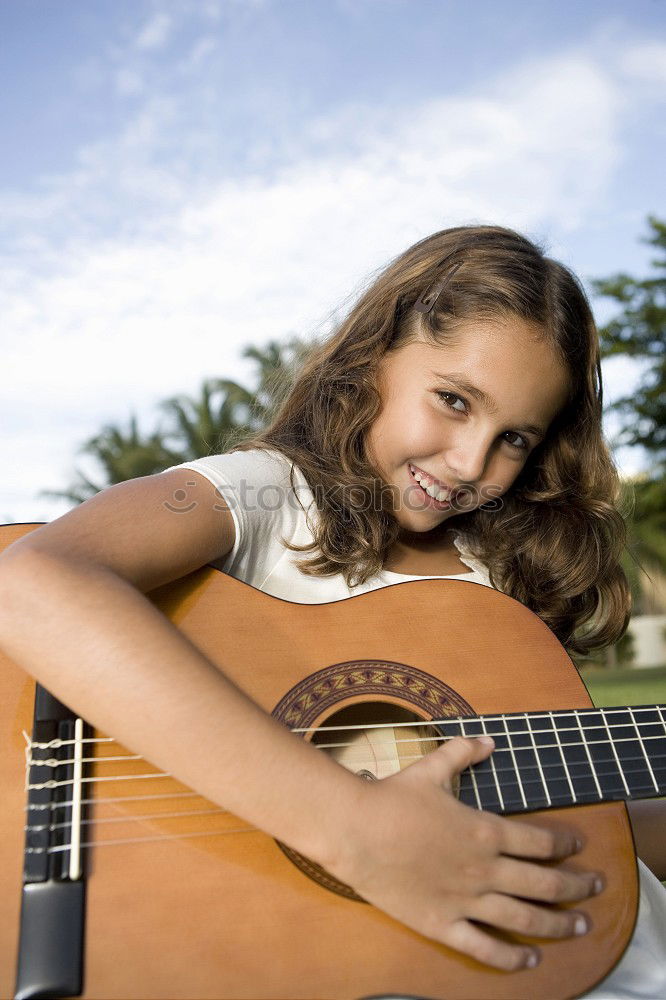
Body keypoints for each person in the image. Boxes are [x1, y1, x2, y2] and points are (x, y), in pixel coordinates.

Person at [1, 224, 664, 997]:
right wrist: (352, 831)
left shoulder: (491, 584)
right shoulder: (266, 494)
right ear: (373, 358)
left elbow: (584, 823)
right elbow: (35, 581)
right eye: (453, 401)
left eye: (514, 437)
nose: (471, 463)